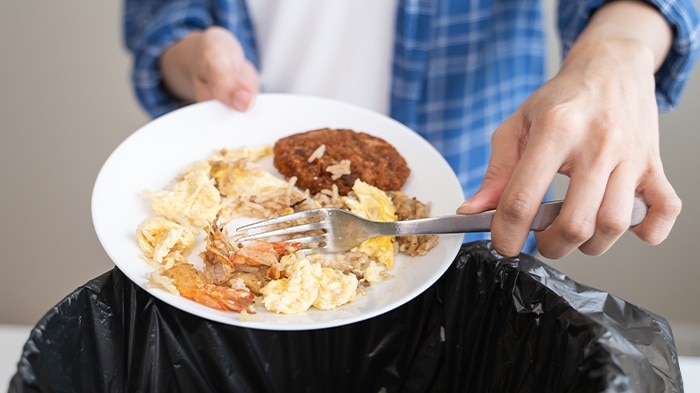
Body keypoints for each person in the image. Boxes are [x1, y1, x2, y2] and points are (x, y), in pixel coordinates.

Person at [124, 0, 699, 259]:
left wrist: (618, 51)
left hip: (473, 187)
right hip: (247, 166)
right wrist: (192, 53)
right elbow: (165, 16)